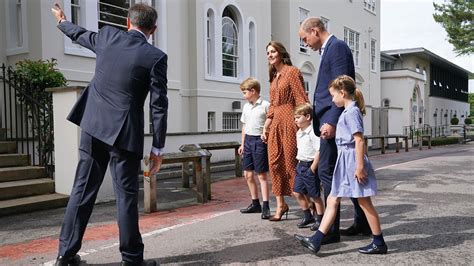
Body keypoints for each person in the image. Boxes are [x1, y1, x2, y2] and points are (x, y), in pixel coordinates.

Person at [51, 3, 167, 265]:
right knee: (125, 198)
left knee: (81, 191)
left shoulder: (107, 36)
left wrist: (62, 22)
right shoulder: (155, 57)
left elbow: (80, 34)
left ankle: (65, 255)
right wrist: (157, 148)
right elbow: (159, 106)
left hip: (92, 127)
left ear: (128, 23)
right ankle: (132, 259)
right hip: (124, 136)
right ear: (153, 29)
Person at [295, 75, 388, 255]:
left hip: (352, 161)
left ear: (342, 93)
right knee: (332, 199)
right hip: (344, 161)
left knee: (365, 202)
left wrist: (360, 167)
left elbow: (359, 140)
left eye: (333, 95)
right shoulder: (347, 112)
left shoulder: (352, 112)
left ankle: (379, 242)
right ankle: (317, 240)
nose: (332, 99)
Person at [298, 17, 370, 242]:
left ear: (316, 31)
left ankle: (330, 231)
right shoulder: (328, 50)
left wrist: (332, 120)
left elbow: (343, 86)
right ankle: (363, 223)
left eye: (305, 38)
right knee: (346, 173)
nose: (306, 43)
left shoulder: (337, 47)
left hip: (332, 122)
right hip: (328, 120)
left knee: (327, 173)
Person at [261, 41, 309, 221]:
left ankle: (309, 204)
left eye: (273, 51)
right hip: (275, 123)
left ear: (281, 53)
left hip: (290, 120)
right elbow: (273, 105)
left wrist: (302, 124)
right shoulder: (274, 76)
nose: (270, 55)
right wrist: (266, 125)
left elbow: (300, 98)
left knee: (291, 164)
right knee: (274, 163)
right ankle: (281, 204)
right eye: (268, 53)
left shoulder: (292, 72)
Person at [238, 77, 271, 219]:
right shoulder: (246, 106)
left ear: (253, 91)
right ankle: (255, 203)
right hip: (248, 141)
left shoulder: (265, 105)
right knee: (247, 174)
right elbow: (244, 126)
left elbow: (271, 122)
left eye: (245, 92)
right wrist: (242, 143)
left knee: (261, 175)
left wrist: (265, 131)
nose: (244, 95)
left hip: (259, 141)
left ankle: (266, 206)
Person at [293, 103, 325, 229]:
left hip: (310, 165)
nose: (295, 120)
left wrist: (313, 168)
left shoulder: (313, 132)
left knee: (315, 195)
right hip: (300, 164)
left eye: (298, 117)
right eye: (295, 117)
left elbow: (319, 150)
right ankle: (307, 215)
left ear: (307, 117)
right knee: (297, 192)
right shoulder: (299, 132)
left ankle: (320, 218)